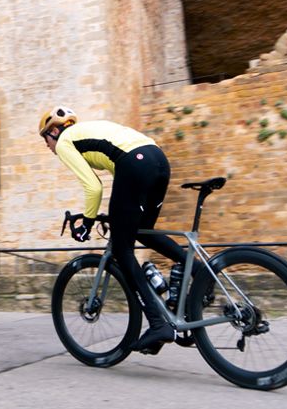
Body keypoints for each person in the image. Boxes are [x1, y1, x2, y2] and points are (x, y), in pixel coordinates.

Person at [39, 105, 186, 351]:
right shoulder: (87, 132)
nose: (46, 145)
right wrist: (115, 216)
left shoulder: (65, 141)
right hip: (158, 159)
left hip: (134, 164)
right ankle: (202, 273)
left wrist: (86, 224)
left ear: (54, 131)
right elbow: (122, 188)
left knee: (121, 249)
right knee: (142, 229)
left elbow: (93, 187)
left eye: (45, 138)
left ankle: (158, 324)